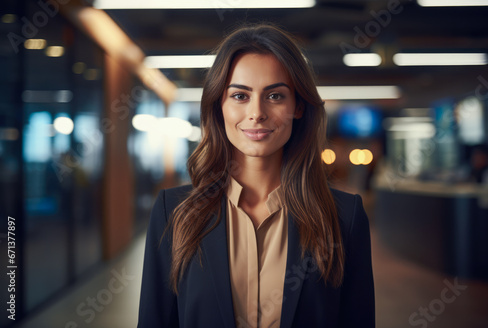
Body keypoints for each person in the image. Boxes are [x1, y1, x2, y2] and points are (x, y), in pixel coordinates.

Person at [137, 24, 375, 328]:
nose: (257, 113)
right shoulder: (174, 212)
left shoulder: (345, 218)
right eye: (240, 95)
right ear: (218, 105)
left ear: (298, 106)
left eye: (275, 95)